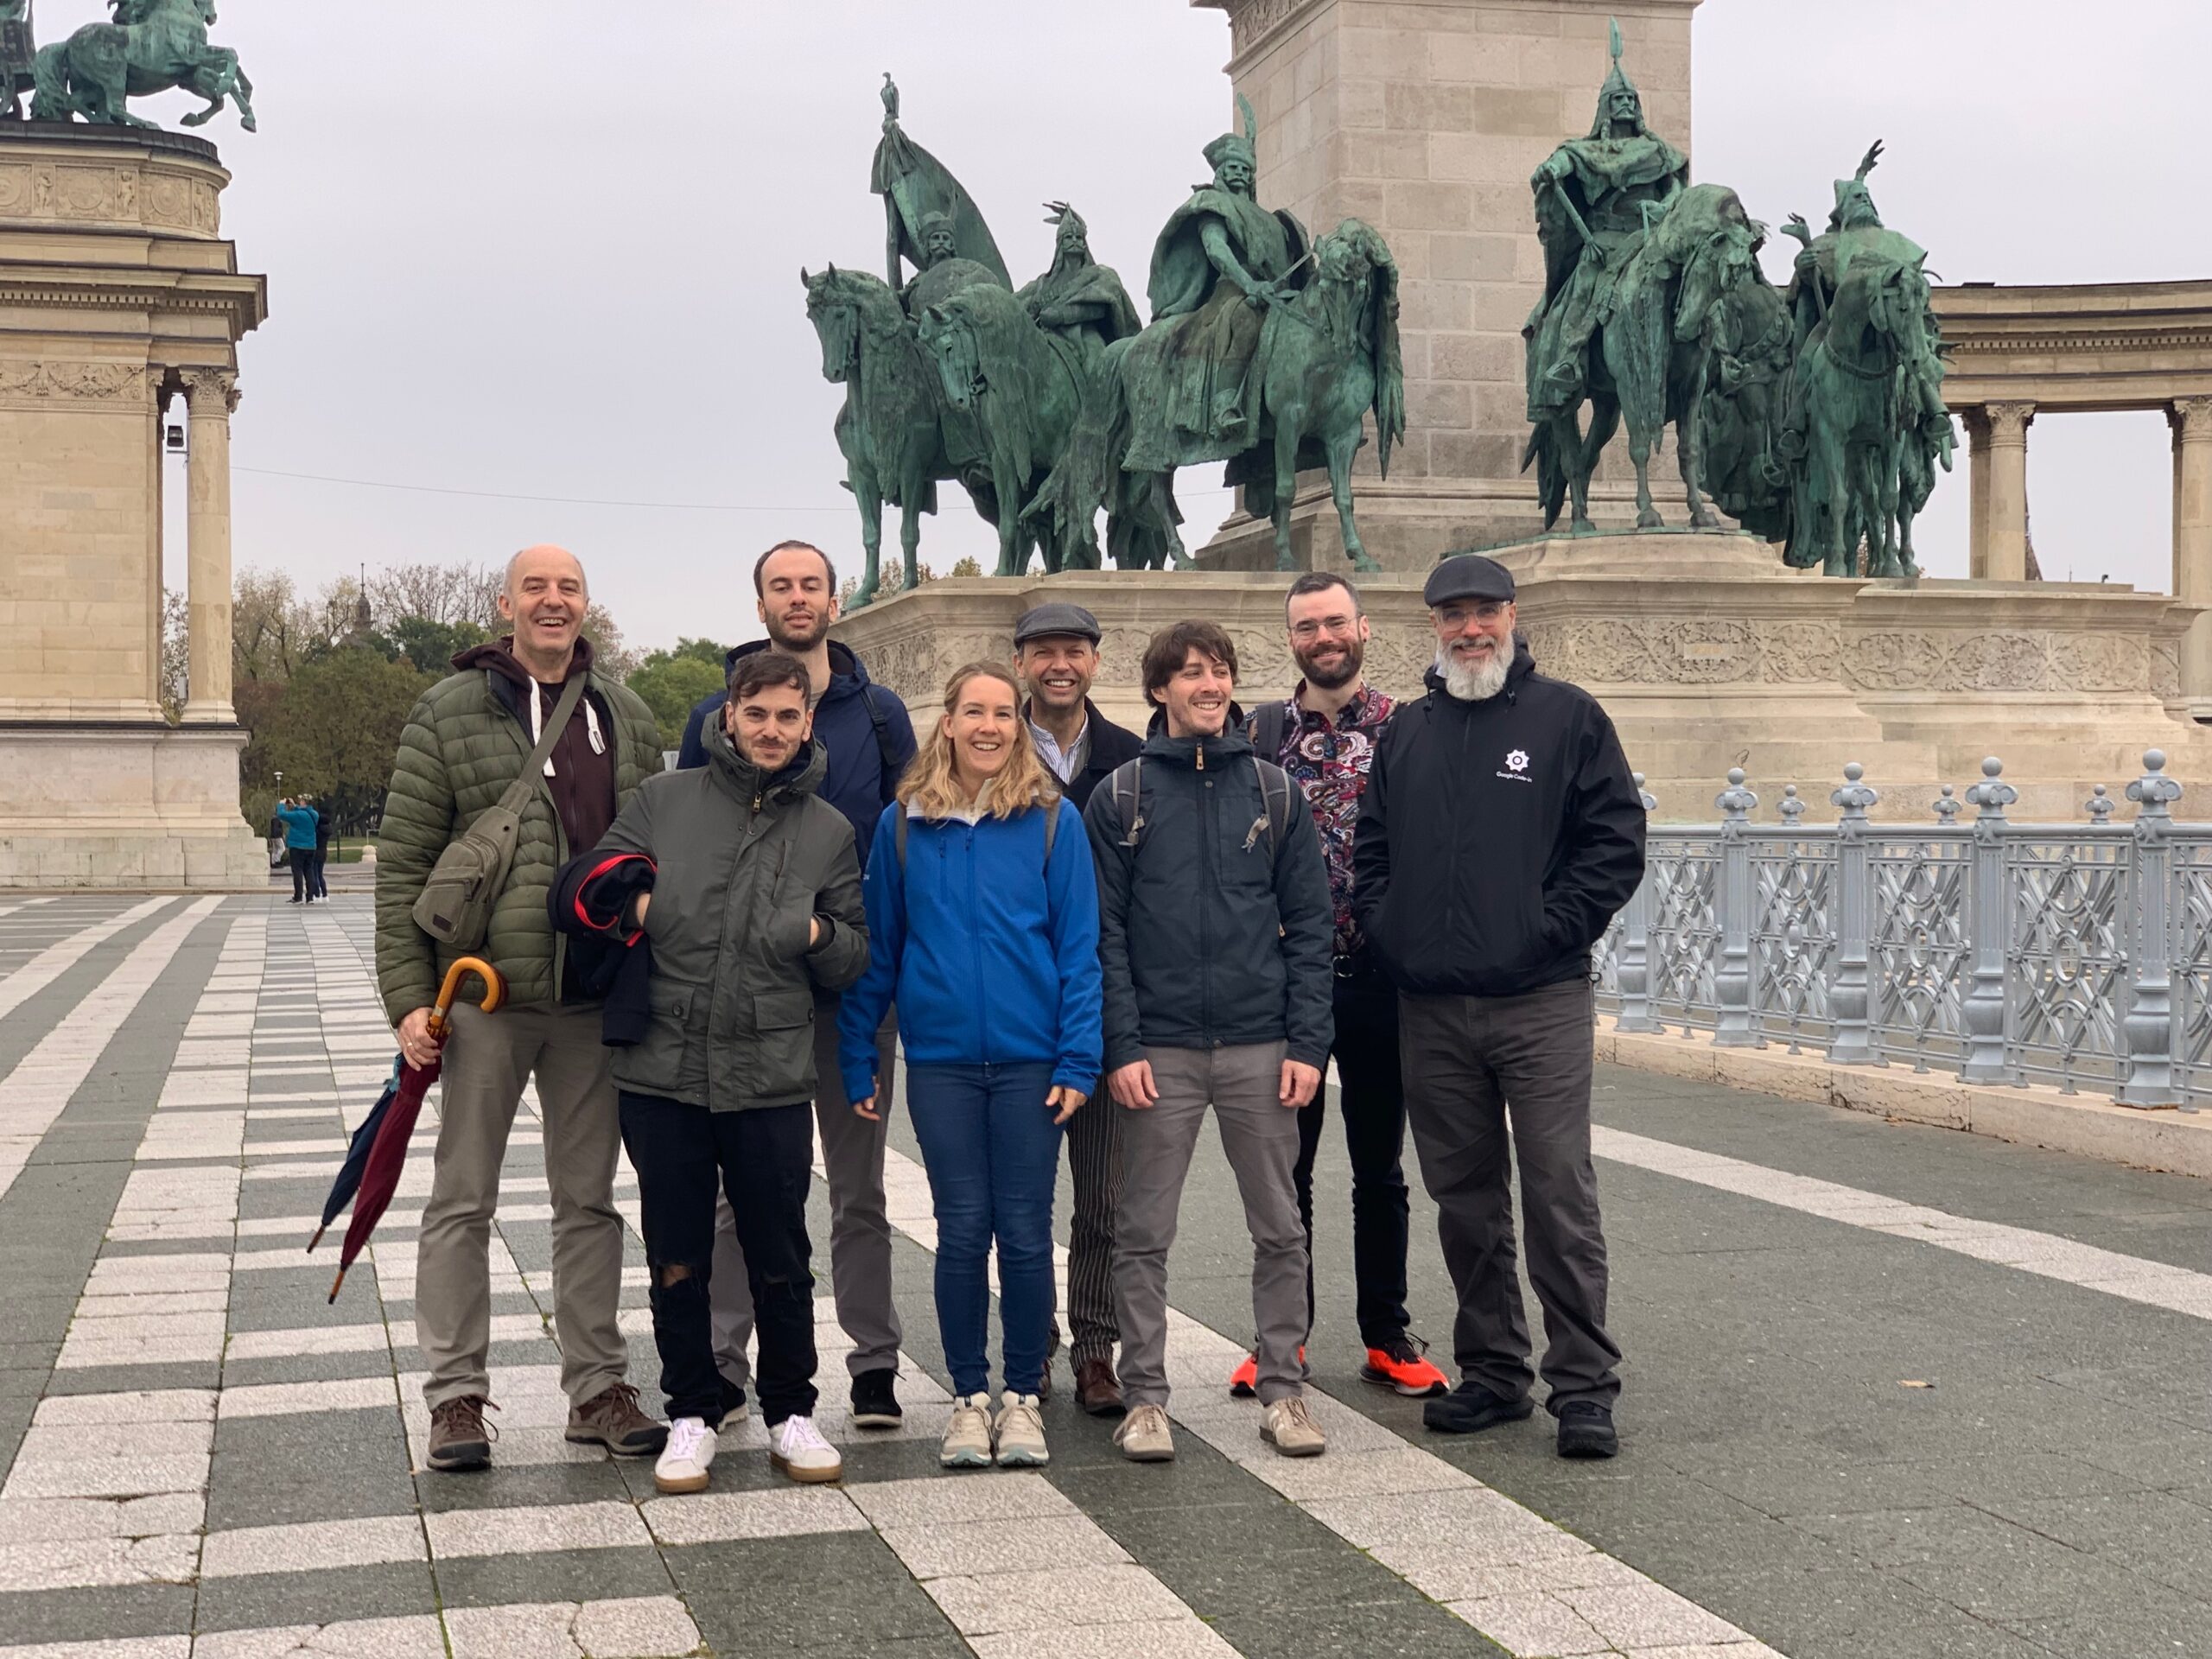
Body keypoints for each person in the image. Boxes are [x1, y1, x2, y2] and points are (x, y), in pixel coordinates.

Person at [376, 543, 667, 1472]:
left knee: (589, 1201)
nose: (552, 602)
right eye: (535, 588)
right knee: (462, 1199)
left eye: (568, 588)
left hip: (590, 1000)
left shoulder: (622, 710)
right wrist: (409, 998)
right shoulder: (448, 709)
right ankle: (457, 1397)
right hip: (486, 996)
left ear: (587, 604)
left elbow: (648, 853)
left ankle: (597, 1386)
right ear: (505, 604)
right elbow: (403, 868)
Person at [1352, 554, 1646, 1459]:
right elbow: (1371, 853)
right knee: (1464, 1199)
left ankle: (1584, 1385)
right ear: (1433, 626)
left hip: (1538, 999)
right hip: (1432, 1007)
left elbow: (1614, 842)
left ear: (1511, 616)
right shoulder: (1409, 731)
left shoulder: (1566, 718)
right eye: (1452, 616)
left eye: (1483, 612)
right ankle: (1493, 1371)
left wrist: (1545, 930)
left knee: (1558, 1189)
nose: (1469, 629)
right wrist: (1390, 931)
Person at [553, 650, 868, 1493]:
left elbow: (852, 952)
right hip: (664, 1066)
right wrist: (644, 908)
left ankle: (791, 1409)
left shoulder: (828, 831)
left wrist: (813, 938)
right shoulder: (664, 800)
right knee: (678, 1252)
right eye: (756, 714)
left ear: (807, 723)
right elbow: (586, 889)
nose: (771, 730)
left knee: (779, 1250)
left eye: (787, 716)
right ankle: (691, 1411)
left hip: (767, 1069)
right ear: (728, 716)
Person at [677, 540, 917, 1432]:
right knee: (740, 1193)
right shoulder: (714, 711)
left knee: (859, 1189)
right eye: (781, 585)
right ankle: (726, 1359)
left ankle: (873, 1363)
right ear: (761, 603)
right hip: (748, 989)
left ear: (833, 598)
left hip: (854, 985)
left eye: (810, 584)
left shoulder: (881, 713)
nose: (798, 597)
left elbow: (905, 839)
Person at [841, 662, 1101, 1471]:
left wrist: (1078, 1057)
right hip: (945, 1064)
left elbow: (1079, 953)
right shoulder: (904, 826)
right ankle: (967, 1396)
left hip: (1032, 1064)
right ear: (946, 722)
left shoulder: (1055, 821)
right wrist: (859, 1058)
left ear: (1017, 726)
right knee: (960, 1234)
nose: (989, 726)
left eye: (1002, 714)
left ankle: (1022, 1395)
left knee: (1024, 1235)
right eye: (973, 712)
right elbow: (880, 951)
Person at [1086, 620, 1335, 1464]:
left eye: (1220, 670)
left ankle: (1283, 1390)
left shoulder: (1273, 791)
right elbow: (1104, 936)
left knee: (1280, 1227)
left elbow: (1309, 925)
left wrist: (1309, 1042)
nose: (1209, 684)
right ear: (1159, 690)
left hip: (1262, 1044)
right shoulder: (1120, 795)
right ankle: (1146, 1397)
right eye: (1190, 672)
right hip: (1158, 1048)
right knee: (1142, 1232)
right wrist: (1120, 1047)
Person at [1238, 573, 1450, 1402]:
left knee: (1379, 1167)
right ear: (1290, 639)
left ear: (1363, 628)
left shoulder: (1410, 729)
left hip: (1379, 978)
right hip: (1288, 985)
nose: (1323, 638)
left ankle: (1386, 1334)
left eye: (1335, 623)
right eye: (1307, 627)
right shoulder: (1257, 733)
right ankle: (1279, 1341)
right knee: (1283, 1171)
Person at [1010, 601, 1141, 1416]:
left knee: (1104, 1198)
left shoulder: (1130, 757)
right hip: (1019, 1008)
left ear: (1096, 661)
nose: (1061, 665)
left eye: (1076, 651)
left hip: (1105, 1003)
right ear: (1020, 661)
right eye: (1044, 651)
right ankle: (1035, 1346)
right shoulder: (987, 750)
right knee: (1021, 1206)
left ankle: (1097, 1348)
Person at [276, 798, 318, 904]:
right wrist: (294, 806)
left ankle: (298, 897)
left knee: (297, 872)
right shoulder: (314, 814)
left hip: (297, 846)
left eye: (301, 801)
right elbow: (303, 812)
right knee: (309, 871)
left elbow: (282, 815)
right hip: (311, 846)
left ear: (304, 803)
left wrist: (281, 805)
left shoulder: (299, 815)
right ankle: (310, 897)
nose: (300, 802)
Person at [309, 799, 334, 901]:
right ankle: (325, 894)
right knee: (320, 874)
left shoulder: (317, 830)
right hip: (324, 852)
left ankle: (317, 894)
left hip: (316, 851)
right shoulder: (328, 830)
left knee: (314, 874)